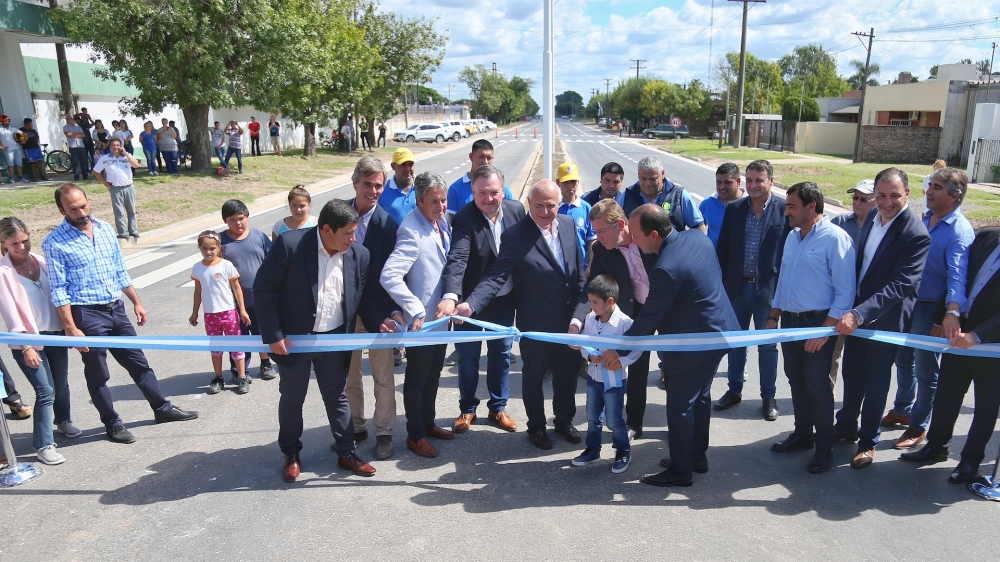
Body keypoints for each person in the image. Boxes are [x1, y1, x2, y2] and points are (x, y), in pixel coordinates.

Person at [42, 184, 198, 443]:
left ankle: (162, 408)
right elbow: (59, 290)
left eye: (84, 205)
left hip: (116, 308)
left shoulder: (104, 229)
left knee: (138, 362)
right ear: (61, 210)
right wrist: (70, 326)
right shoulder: (54, 243)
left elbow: (119, 270)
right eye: (73, 209)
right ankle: (112, 424)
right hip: (87, 315)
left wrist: (136, 301)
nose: (81, 212)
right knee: (98, 373)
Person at [601, 204, 740, 487]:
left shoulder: (667, 267)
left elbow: (649, 317)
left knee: (679, 406)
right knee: (699, 397)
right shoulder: (696, 237)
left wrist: (618, 351)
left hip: (694, 343)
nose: (635, 243)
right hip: (718, 333)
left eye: (637, 237)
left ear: (654, 234)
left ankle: (680, 470)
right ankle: (695, 456)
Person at [253, 199, 388, 481]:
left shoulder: (358, 255)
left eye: (355, 232)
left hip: (334, 339)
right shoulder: (291, 246)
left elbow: (362, 298)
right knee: (292, 398)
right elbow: (264, 290)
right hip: (294, 340)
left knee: (337, 397)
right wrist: (274, 334)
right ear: (326, 229)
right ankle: (291, 453)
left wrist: (381, 322)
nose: (354, 238)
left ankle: (346, 452)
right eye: (348, 233)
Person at [457, 180, 589, 450]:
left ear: (559, 205)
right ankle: (537, 427)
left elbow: (577, 272)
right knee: (534, 377)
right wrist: (470, 305)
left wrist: (580, 315)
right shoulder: (516, 235)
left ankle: (564, 421)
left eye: (550, 205)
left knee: (567, 374)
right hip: (536, 324)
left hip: (569, 322)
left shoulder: (567, 224)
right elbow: (496, 276)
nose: (544, 211)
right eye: (538, 205)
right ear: (529, 203)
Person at [833, 167, 930, 469]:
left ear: (908, 195)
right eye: (881, 195)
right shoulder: (873, 218)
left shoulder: (915, 234)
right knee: (852, 375)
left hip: (883, 321)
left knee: (875, 383)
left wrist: (859, 314)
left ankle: (867, 443)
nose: (887, 202)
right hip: (856, 317)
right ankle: (846, 425)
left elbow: (901, 286)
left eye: (894, 196)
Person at [767, 182, 856, 474]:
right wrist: (773, 316)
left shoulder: (835, 239)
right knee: (796, 380)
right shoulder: (792, 237)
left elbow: (845, 293)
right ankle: (802, 434)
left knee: (818, 387)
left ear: (811, 207)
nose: (786, 211)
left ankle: (824, 448)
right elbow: (783, 280)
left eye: (792, 206)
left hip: (819, 323)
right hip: (791, 322)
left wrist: (824, 331)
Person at [900, 227, 1000, 484]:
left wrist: (977, 336)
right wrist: (940, 319)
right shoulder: (986, 237)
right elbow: (957, 278)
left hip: (991, 350)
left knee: (985, 409)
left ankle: (969, 462)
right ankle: (936, 446)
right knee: (947, 397)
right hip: (957, 338)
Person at [885, 167, 974, 450]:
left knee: (925, 369)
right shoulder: (925, 219)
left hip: (931, 308)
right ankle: (902, 408)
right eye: (930, 185)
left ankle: (918, 425)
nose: (929, 191)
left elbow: (958, 277)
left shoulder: (959, 231)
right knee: (903, 359)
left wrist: (950, 313)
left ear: (954, 195)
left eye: (936, 187)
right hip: (908, 303)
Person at [436, 164, 524, 434]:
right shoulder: (464, 218)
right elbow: (458, 259)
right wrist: (451, 296)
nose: (488, 199)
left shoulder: (517, 210)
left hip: (504, 299)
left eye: (494, 192)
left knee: (501, 354)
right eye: (482, 193)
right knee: (468, 358)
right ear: (472, 191)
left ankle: (498, 407)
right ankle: (468, 409)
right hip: (469, 304)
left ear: (503, 190)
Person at [381, 172, 455, 458]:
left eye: (444, 200)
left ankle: (428, 422)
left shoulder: (442, 221)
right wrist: (413, 309)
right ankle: (415, 435)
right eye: (434, 201)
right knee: (417, 378)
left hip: (441, 318)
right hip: (422, 324)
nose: (441, 206)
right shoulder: (411, 230)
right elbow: (389, 276)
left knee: (434, 373)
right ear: (419, 201)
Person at [0, 217, 81, 465]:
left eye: (25, 241)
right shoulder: (3, 273)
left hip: (55, 334)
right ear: (3, 243)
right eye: (15, 244)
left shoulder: (42, 262)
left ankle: (63, 421)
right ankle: (44, 445)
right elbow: (11, 314)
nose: (23, 247)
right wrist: (26, 347)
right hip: (28, 340)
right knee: (45, 390)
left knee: (61, 383)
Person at [715, 159, 789, 421]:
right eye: (750, 180)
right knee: (736, 343)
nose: (754, 185)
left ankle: (768, 397)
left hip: (767, 292)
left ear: (771, 181)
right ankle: (734, 390)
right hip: (736, 288)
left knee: (768, 347)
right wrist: (722, 287)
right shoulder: (735, 208)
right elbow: (723, 249)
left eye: (759, 180)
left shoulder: (783, 209)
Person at [345, 158, 400, 460]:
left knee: (383, 377)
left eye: (379, 185)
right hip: (345, 315)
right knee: (349, 375)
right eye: (368, 184)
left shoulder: (388, 224)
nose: (374, 190)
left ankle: (384, 431)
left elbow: (394, 276)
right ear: (355, 183)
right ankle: (355, 426)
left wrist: (391, 313)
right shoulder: (338, 213)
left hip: (379, 316)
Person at [585, 199, 652, 440]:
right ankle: (632, 423)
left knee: (674, 367)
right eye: (595, 232)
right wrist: (579, 321)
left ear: (620, 225)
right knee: (635, 368)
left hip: (659, 309)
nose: (598, 237)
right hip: (628, 315)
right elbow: (593, 288)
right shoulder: (601, 250)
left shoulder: (646, 238)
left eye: (602, 231)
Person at [569, 275, 641, 474]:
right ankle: (593, 450)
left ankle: (623, 451)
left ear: (610, 301)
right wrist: (589, 356)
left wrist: (621, 361)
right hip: (594, 377)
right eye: (590, 301)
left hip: (614, 382)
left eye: (594, 302)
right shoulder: (591, 319)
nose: (591, 307)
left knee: (614, 420)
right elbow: (585, 342)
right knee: (592, 416)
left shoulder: (625, 324)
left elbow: (636, 349)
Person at [219, 200, 276, 381]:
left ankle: (266, 363)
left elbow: (273, 260)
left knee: (262, 332)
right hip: (232, 301)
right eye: (233, 219)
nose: (238, 223)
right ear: (225, 221)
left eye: (241, 218)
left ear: (248, 217)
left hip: (259, 296)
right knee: (238, 336)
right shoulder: (220, 241)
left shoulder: (258, 236)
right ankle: (239, 370)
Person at [189, 230, 251, 395]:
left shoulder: (226, 265)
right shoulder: (197, 268)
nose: (208, 252)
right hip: (210, 314)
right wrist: (194, 312)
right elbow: (197, 291)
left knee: (236, 345)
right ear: (200, 248)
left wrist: (242, 310)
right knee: (215, 348)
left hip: (229, 312)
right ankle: (218, 377)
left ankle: (242, 376)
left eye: (212, 248)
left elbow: (236, 288)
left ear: (218, 248)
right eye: (204, 248)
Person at [828, 179, 876, 381]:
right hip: (839, 302)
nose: (857, 202)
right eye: (855, 197)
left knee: (860, 363)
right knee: (830, 355)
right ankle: (823, 405)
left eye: (864, 199)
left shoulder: (880, 228)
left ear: (876, 201)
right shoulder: (839, 223)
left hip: (866, 304)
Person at [620, 156, 706, 234]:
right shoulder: (627, 196)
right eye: (643, 179)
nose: (648, 183)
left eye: (653, 179)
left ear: (663, 174)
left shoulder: (679, 196)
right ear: (638, 175)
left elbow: (698, 227)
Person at [92, 139, 141, 245]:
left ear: (121, 146)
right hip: (115, 188)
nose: (115, 147)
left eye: (118, 145)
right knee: (119, 211)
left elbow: (136, 165)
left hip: (129, 186)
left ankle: (133, 230)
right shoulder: (104, 158)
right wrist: (105, 183)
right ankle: (123, 232)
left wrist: (126, 153)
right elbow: (96, 172)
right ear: (110, 147)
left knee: (131, 210)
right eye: (113, 145)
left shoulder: (127, 157)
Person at [446, 140, 514, 215]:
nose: (485, 162)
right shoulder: (455, 189)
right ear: (471, 157)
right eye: (481, 157)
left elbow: (511, 213)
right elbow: (452, 221)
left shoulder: (502, 187)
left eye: (489, 158)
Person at [556, 162, 596, 271]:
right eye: (566, 182)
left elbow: (591, 240)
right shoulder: (554, 208)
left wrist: (591, 265)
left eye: (573, 181)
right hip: (558, 267)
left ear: (578, 182)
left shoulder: (586, 208)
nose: (570, 186)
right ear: (558, 182)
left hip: (581, 268)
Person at [699, 162, 746, 247]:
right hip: (714, 259)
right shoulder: (707, 203)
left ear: (738, 181)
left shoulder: (751, 203)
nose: (722, 187)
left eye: (727, 182)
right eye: (719, 182)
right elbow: (696, 231)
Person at [379, 147, 418, 225]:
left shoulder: (423, 187)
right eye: (402, 165)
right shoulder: (382, 190)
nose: (407, 169)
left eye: (411, 165)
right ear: (393, 166)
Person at [17, 118, 46, 182]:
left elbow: (37, 137)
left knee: (39, 162)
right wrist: (26, 138)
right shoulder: (21, 131)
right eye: (31, 123)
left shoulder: (33, 130)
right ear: (27, 123)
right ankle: (34, 177)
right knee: (32, 162)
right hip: (28, 148)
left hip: (36, 147)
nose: (32, 124)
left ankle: (43, 176)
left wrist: (36, 140)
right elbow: (21, 142)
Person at [0, 114, 26, 183]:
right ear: (2, 121)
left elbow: (23, 134)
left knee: (19, 164)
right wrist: (1, 147)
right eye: (6, 121)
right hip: (8, 150)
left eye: (8, 121)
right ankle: (11, 178)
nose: (8, 122)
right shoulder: (0, 130)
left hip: (16, 148)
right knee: (10, 165)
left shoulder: (13, 129)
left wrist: (23, 140)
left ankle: (21, 177)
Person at [63, 115, 90, 182]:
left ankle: (85, 176)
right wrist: (77, 135)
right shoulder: (65, 127)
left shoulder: (78, 127)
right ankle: (76, 176)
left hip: (81, 146)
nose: (70, 120)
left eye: (71, 118)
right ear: (67, 120)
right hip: (73, 146)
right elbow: (68, 134)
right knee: (75, 162)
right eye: (68, 118)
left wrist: (74, 134)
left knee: (83, 161)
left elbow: (83, 135)